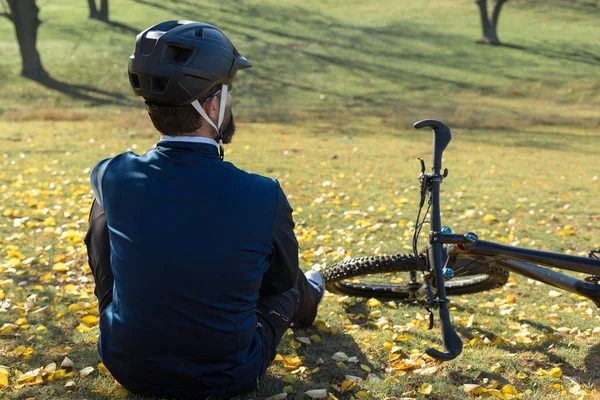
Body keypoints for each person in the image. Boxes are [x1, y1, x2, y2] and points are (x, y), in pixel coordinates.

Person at [84, 20, 324, 399]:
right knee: (290, 281)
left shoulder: (112, 174)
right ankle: (311, 296)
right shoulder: (264, 193)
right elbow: (277, 283)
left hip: (127, 365)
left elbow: (104, 255)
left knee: (104, 211)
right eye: (229, 92)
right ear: (212, 103)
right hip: (227, 377)